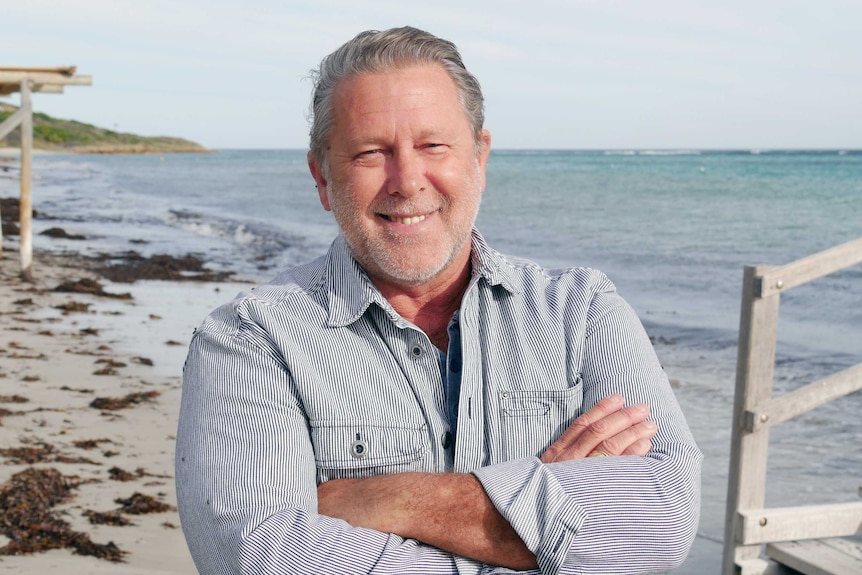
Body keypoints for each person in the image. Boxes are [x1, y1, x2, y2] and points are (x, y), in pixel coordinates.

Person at [175, 26, 702, 575]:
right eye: (370, 152)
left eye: (433, 145)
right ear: (322, 177)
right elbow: (256, 557)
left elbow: (663, 523)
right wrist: (546, 530)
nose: (406, 181)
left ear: (479, 157)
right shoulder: (249, 339)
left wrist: (393, 499)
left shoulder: (581, 312)